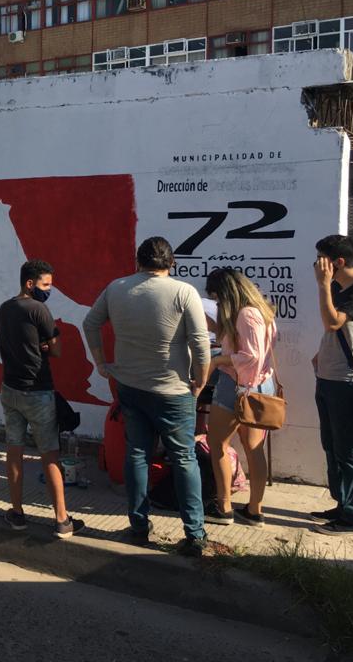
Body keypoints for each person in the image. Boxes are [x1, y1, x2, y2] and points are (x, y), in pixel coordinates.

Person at [83, 237, 211, 556]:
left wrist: (101, 363)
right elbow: (200, 344)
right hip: (174, 391)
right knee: (184, 458)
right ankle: (194, 534)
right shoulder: (184, 292)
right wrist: (199, 383)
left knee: (137, 454)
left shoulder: (117, 288)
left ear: (137, 262)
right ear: (171, 264)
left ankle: (139, 527)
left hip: (130, 387)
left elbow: (90, 323)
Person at [0, 259, 79, 539]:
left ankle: (17, 513)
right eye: (46, 285)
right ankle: (62, 519)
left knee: (14, 451)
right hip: (38, 391)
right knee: (49, 454)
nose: (49, 290)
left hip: (10, 389)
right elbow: (56, 350)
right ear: (30, 284)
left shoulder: (5, 308)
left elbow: (15, 341)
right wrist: (44, 346)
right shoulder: (39, 309)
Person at [311, 234, 353, 536]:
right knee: (332, 445)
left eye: (320, 259)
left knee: (348, 449)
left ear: (336, 262)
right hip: (328, 377)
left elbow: (332, 322)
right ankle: (342, 504)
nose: (316, 265)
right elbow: (334, 332)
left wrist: (324, 285)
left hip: (348, 382)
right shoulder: (340, 287)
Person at [203, 268, 277, 528]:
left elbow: (250, 357)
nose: (217, 303)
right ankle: (254, 510)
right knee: (253, 448)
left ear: (227, 293)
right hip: (259, 387)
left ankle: (223, 507)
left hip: (237, 387)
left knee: (218, 443)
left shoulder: (246, 315)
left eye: (217, 298)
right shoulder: (260, 311)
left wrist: (218, 361)